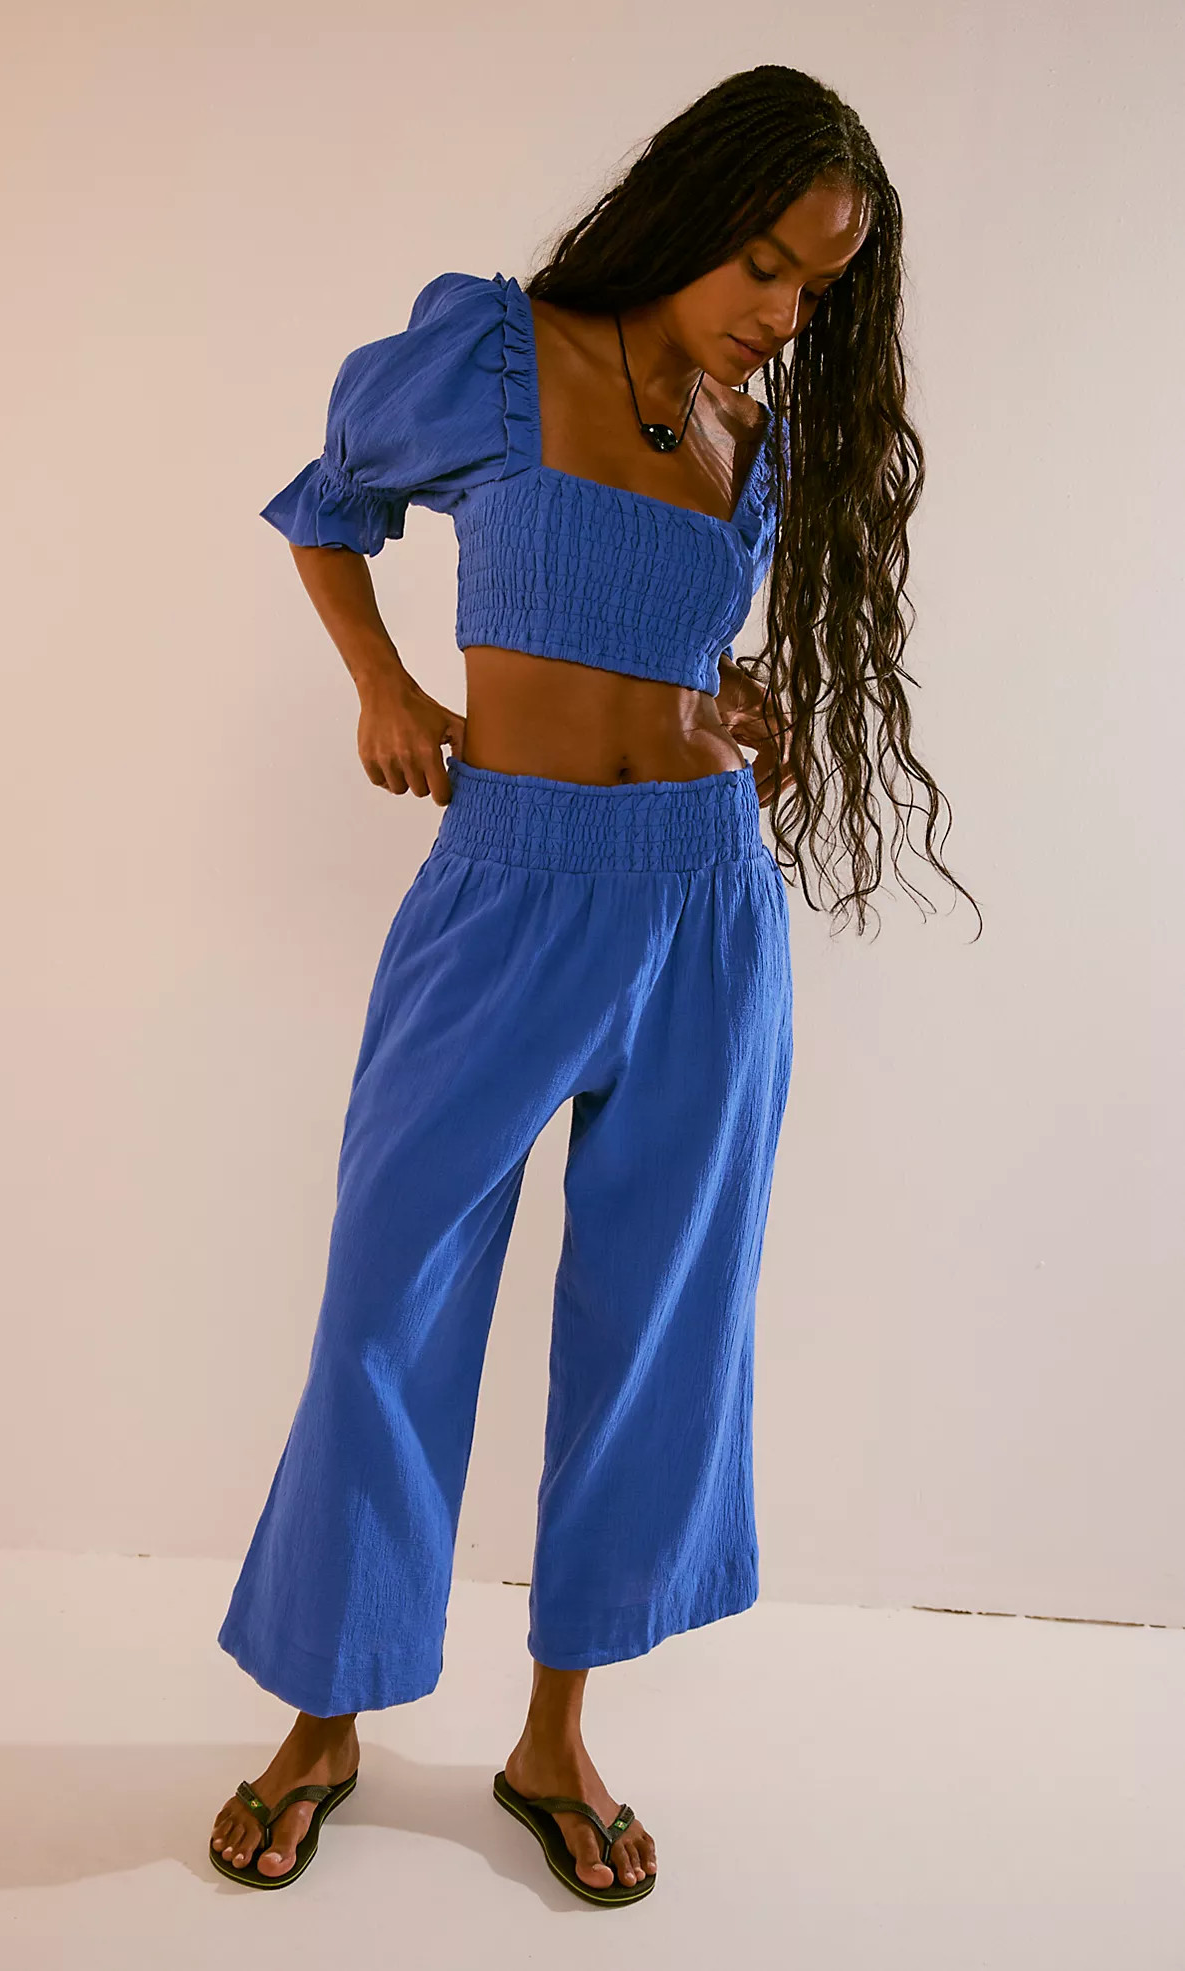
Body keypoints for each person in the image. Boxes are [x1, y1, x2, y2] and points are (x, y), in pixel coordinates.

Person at [208, 63, 979, 1906]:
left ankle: (554, 1734)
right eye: (765, 264)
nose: (781, 312)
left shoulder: (749, 430)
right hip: (503, 887)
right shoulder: (495, 358)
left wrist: (733, 706)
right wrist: (386, 690)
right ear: (691, 210)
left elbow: (664, 651)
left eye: (816, 288)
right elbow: (326, 509)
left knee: (657, 1326)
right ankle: (323, 1715)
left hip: (703, 910)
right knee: (386, 1297)